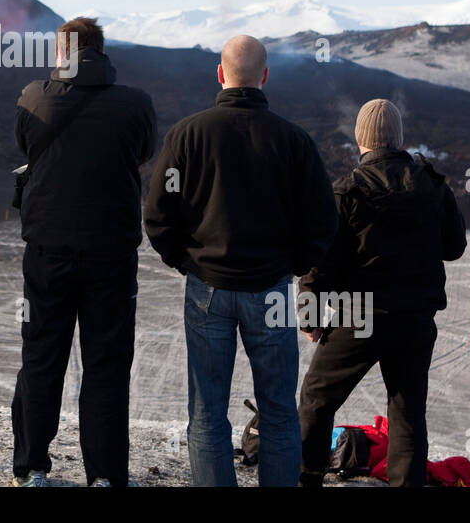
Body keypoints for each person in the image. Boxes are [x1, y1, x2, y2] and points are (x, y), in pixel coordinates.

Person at [144, 34, 336, 487]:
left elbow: (157, 213)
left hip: (207, 288)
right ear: (265, 77)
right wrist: (293, 265)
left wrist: (185, 260)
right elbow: (322, 221)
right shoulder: (294, 141)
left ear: (220, 74)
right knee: (278, 409)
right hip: (270, 289)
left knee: (208, 412)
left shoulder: (187, 135)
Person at [11, 17, 156, 487]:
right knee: (107, 366)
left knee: (41, 357)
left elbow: (26, 145)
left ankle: (31, 466)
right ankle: (106, 476)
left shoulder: (33, 96)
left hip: (48, 251)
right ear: (101, 51)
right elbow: (142, 152)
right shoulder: (136, 104)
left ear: (61, 53)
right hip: (111, 255)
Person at [296, 99, 467, 487]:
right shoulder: (432, 184)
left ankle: (306, 478)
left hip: (357, 312)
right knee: (407, 413)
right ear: (399, 138)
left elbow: (320, 262)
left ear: (361, 140)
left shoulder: (346, 191)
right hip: (414, 315)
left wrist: (310, 315)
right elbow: (454, 247)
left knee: (317, 400)